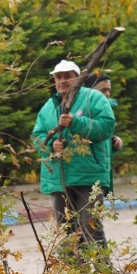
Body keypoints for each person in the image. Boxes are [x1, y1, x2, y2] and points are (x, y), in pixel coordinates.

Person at [31, 59, 116, 248]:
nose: (62, 81)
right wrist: (52, 144)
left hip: (89, 176)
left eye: (67, 77)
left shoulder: (94, 98)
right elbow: (37, 135)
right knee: (66, 231)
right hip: (58, 178)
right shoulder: (48, 107)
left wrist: (76, 122)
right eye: (58, 77)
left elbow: (106, 127)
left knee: (90, 227)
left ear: (77, 78)